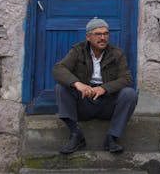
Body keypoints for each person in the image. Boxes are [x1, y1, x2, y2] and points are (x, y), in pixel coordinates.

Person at [53, 17, 138, 154]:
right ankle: (76, 134)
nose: (103, 37)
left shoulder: (117, 53)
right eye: (98, 34)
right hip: (84, 102)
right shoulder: (78, 50)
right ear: (88, 37)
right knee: (61, 88)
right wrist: (78, 84)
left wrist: (104, 88)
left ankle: (112, 138)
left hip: (107, 103)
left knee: (130, 94)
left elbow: (126, 78)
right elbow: (58, 69)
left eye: (105, 34)